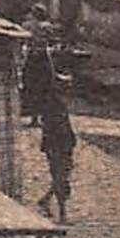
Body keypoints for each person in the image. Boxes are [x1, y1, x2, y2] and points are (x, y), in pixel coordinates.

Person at [36, 91, 78, 222]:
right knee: (60, 179)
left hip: (64, 145)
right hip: (56, 146)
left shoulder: (59, 106)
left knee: (62, 177)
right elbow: (50, 130)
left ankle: (46, 200)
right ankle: (62, 213)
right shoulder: (53, 108)